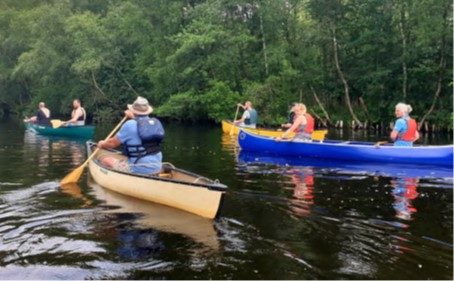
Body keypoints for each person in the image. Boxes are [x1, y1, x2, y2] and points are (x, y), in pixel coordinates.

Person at [97, 96, 165, 175]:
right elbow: (140, 123)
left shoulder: (129, 125)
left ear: (134, 111)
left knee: (106, 160)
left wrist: (102, 143)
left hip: (138, 168)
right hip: (157, 166)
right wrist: (132, 117)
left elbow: (112, 143)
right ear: (147, 111)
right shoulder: (154, 123)